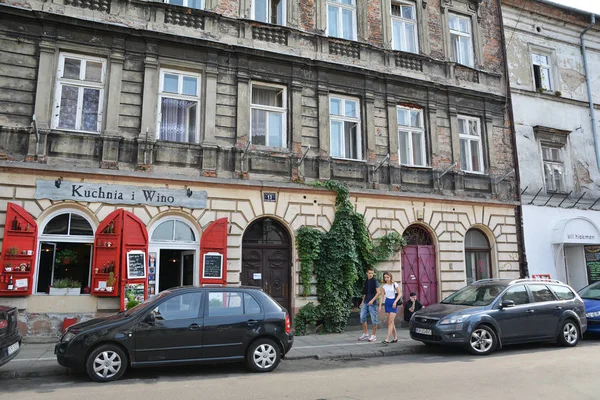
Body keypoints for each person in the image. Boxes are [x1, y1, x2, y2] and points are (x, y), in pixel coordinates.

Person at [358, 268, 381, 342]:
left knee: (374, 320)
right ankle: (366, 333)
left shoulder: (375, 281)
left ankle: (374, 335)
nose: (371, 274)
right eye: (369, 273)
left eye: (372, 273)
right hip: (365, 302)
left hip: (372, 303)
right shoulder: (366, 281)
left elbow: (378, 292)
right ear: (366, 273)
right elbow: (365, 293)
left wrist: (372, 300)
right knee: (362, 317)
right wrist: (362, 301)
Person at [380, 272, 402, 344]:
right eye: (385, 277)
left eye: (387, 277)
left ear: (390, 277)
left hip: (393, 302)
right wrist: (380, 305)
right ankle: (395, 338)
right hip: (387, 302)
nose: (386, 279)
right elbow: (382, 296)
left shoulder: (394, 284)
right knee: (391, 322)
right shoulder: (384, 286)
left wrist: (395, 302)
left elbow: (400, 294)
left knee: (390, 322)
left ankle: (387, 339)